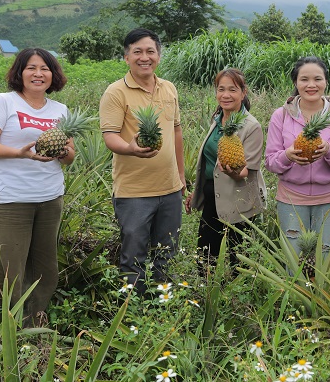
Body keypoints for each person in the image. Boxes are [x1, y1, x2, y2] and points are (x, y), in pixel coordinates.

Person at [0, 48, 74, 327]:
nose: (38, 74)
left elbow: (70, 157)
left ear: (53, 75)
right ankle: (2, 327)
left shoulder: (60, 110)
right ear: (19, 72)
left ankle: (34, 322)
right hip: (10, 199)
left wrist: (63, 152)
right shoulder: (4, 102)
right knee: (9, 268)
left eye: (45, 68)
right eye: (31, 68)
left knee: (45, 266)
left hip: (49, 197)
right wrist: (20, 153)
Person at [99, 28, 186, 294]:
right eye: (137, 52)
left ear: (158, 56)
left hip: (170, 189)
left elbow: (176, 132)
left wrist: (181, 178)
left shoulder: (169, 88)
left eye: (150, 51)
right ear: (126, 57)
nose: (144, 57)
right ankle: (134, 310)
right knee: (134, 255)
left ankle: (163, 304)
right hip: (134, 192)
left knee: (167, 253)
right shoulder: (116, 92)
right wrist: (130, 148)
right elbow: (110, 136)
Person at [265, 57, 330, 261]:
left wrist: (329, 150)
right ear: (295, 83)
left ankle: (324, 292)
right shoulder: (281, 116)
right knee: (293, 259)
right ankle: (295, 293)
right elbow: (270, 161)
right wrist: (287, 155)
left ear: (326, 82)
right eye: (304, 79)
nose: (311, 85)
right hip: (291, 198)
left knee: (328, 258)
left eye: (317, 79)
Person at [188, 68, 266, 269]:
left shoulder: (251, 127)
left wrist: (232, 171)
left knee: (237, 260)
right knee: (205, 257)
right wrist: (196, 192)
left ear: (243, 92)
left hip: (238, 200)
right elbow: (207, 163)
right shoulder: (217, 119)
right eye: (221, 89)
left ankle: (236, 300)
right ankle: (207, 297)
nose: (225, 95)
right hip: (212, 196)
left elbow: (246, 171)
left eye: (232, 89)